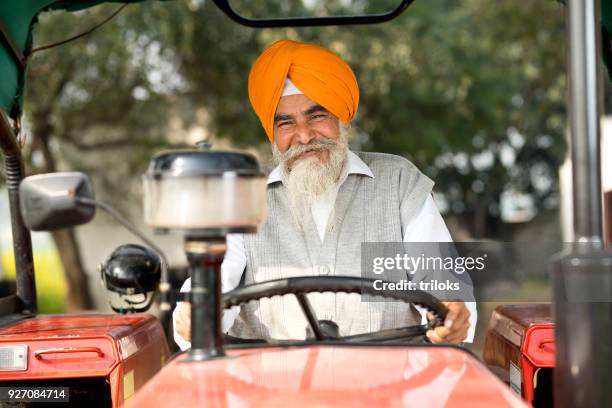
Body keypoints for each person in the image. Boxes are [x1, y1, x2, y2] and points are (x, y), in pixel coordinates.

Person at [173, 39, 476, 350]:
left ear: (341, 118)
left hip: (390, 383)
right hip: (269, 387)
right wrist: (197, 312)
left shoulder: (398, 181)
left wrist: (451, 314)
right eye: (286, 123)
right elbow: (216, 277)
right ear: (273, 133)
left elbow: (440, 279)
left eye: (317, 117)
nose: (304, 136)